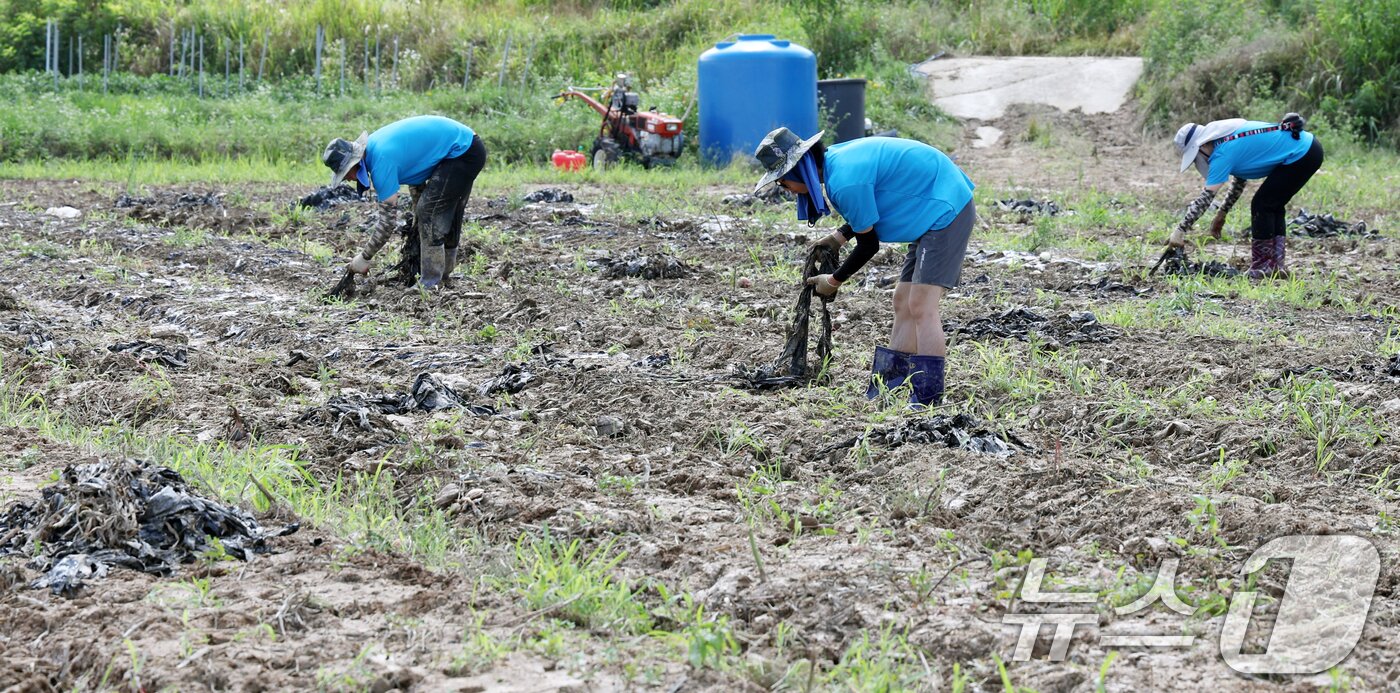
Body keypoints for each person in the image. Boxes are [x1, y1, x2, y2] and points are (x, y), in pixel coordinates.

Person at [752, 127, 976, 408]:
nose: (785, 189)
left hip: (945, 209)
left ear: (798, 171)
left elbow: (869, 245)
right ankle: (889, 386)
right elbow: (875, 200)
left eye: (783, 182)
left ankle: (927, 397)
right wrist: (840, 236)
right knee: (902, 302)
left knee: (921, 306)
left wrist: (833, 280)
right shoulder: (836, 163)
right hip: (928, 207)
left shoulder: (843, 181)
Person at [322, 115, 487, 288]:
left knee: (430, 211)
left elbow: (387, 223)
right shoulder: (374, 148)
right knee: (438, 209)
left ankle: (430, 283)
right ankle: (444, 274)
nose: (347, 179)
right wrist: (418, 218)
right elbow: (417, 178)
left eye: (346, 173)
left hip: (463, 153)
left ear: (354, 164)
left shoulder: (381, 162)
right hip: (464, 146)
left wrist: (364, 258)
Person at [1168, 113, 1319, 278]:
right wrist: (1222, 213)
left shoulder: (1222, 152)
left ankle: (1262, 268)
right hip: (1309, 149)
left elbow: (1206, 198)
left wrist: (1179, 231)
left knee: (1263, 205)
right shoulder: (1228, 139)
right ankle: (1276, 266)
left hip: (1302, 153)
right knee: (1272, 204)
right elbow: (1240, 180)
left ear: (1202, 145)